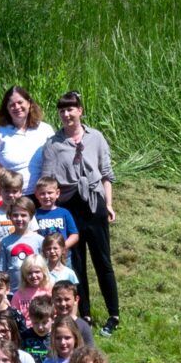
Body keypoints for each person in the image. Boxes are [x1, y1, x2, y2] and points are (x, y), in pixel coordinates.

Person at [40, 91, 119, 331]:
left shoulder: (96, 137)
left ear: (80, 111)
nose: (66, 114)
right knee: (77, 263)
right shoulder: (53, 144)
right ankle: (84, 314)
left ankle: (114, 314)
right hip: (68, 204)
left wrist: (108, 204)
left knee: (102, 260)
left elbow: (106, 173)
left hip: (94, 202)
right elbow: (48, 179)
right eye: (62, 111)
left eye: (70, 109)